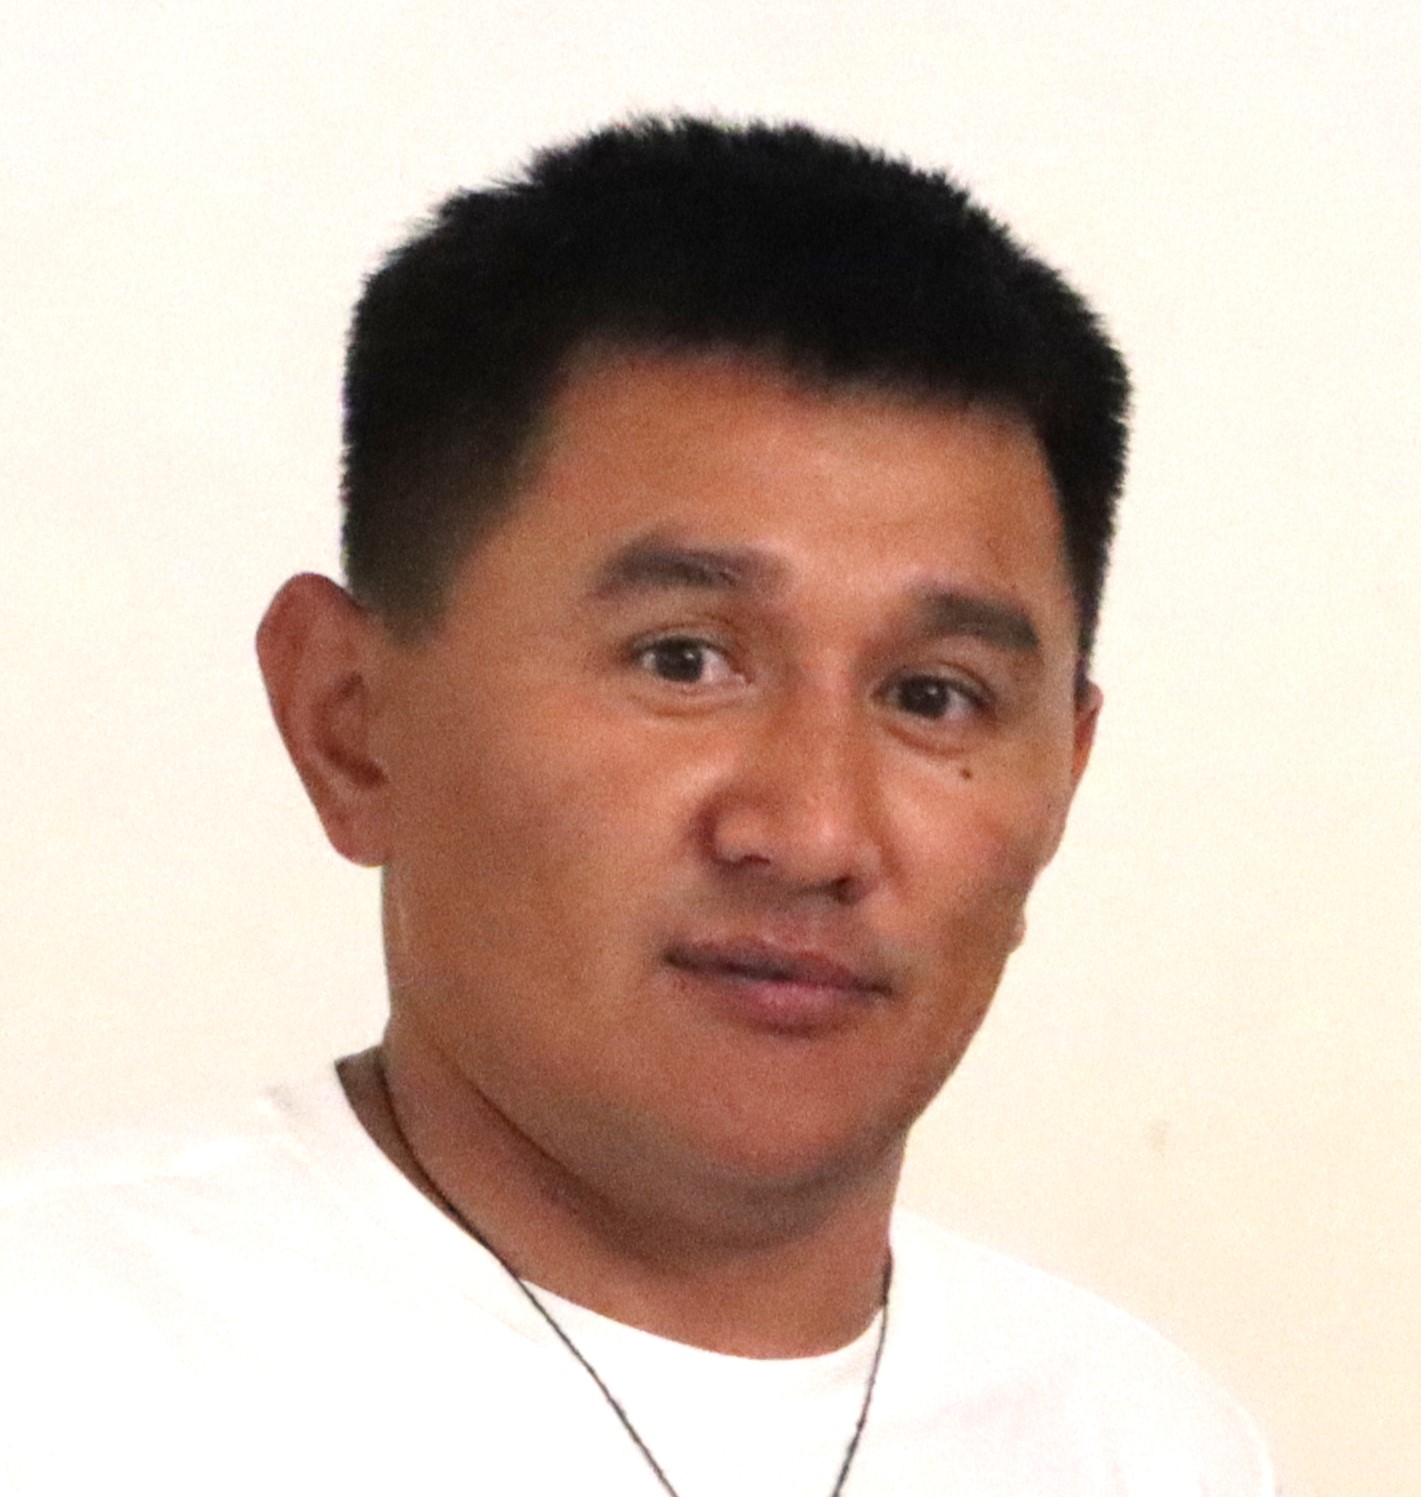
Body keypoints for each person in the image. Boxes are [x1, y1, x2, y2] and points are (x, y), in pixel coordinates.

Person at [0, 117, 1274, 1494]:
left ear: (1064, 780)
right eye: (683, 661)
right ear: (350, 724)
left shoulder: (1146, 1447)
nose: (815, 832)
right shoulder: (52, 1365)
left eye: (933, 695)